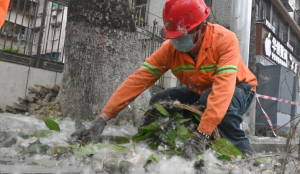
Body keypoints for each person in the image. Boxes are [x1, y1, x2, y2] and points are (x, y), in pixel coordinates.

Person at [71, 0, 258, 158]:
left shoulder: (225, 40)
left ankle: (243, 151)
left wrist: (202, 133)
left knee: (210, 98)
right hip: (200, 91)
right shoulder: (169, 50)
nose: (177, 41)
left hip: (240, 88)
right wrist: (103, 118)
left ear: (201, 28)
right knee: (159, 102)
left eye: (183, 35)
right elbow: (137, 81)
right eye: (174, 36)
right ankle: (181, 140)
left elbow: (223, 90)